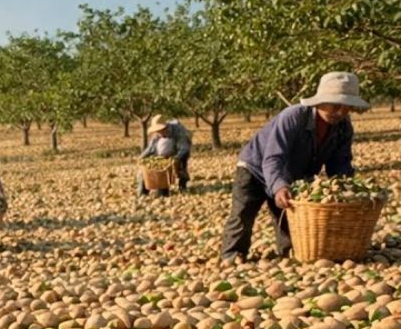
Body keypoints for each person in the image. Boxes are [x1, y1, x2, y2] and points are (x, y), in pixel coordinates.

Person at [220, 71, 367, 262]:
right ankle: (232, 255)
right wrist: (279, 186)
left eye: (347, 107)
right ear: (320, 102)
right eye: (335, 105)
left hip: (294, 173)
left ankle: (290, 253)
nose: (341, 112)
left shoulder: (343, 127)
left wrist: (347, 190)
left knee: (290, 216)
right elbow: (273, 157)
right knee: (243, 214)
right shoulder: (294, 117)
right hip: (254, 168)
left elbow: (340, 162)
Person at [138, 114, 192, 196]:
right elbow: (151, 148)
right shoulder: (157, 135)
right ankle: (144, 191)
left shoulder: (178, 131)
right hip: (161, 155)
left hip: (178, 151)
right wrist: (142, 157)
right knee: (149, 171)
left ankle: (183, 186)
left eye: (160, 131)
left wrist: (176, 158)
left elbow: (184, 148)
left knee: (181, 166)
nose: (159, 133)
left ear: (165, 128)